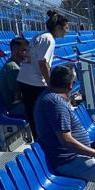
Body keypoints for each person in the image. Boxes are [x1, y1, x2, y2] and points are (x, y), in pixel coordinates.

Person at [35, 64, 95, 190]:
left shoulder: (51, 97)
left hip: (74, 156)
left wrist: (93, 148)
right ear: (70, 85)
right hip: (68, 161)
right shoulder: (55, 103)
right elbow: (66, 141)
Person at [19, 10, 70, 138]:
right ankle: (42, 143)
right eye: (66, 27)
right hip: (34, 82)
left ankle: (40, 141)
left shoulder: (42, 36)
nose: (67, 31)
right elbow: (43, 63)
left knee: (35, 115)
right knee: (39, 116)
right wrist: (50, 85)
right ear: (58, 27)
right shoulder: (49, 39)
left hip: (26, 80)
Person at [0, 37, 30, 118]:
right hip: (14, 107)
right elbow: (17, 97)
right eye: (24, 50)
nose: (27, 53)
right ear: (15, 51)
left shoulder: (16, 65)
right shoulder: (12, 67)